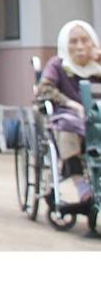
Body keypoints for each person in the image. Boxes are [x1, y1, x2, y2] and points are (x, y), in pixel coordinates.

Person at [36, 19, 101, 205]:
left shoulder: (97, 65)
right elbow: (44, 89)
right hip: (69, 115)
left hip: (97, 117)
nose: (80, 47)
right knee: (67, 127)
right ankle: (80, 184)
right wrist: (72, 104)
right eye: (73, 42)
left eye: (85, 41)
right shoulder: (58, 64)